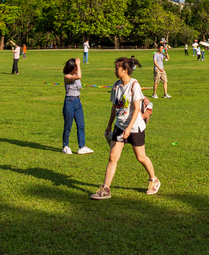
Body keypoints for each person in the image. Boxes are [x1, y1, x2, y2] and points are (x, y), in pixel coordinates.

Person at [90, 57, 160, 200]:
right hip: (119, 126)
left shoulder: (134, 85)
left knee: (140, 157)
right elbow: (114, 107)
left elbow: (136, 110)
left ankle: (154, 180)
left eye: (117, 68)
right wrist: (109, 124)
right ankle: (106, 189)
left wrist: (128, 128)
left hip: (134, 127)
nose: (115, 71)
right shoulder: (116, 86)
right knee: (113, 157)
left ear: (125, 70)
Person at [61, 58, 93, 155]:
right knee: (68, 126)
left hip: (77, 101)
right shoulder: (67, 76)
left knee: (81, 125)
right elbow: (79, 76)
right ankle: (65, 146)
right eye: (76, 67)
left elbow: (78, 78)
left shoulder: (75, 75)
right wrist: (78, 64)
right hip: (69, 102)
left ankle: (82, 146)